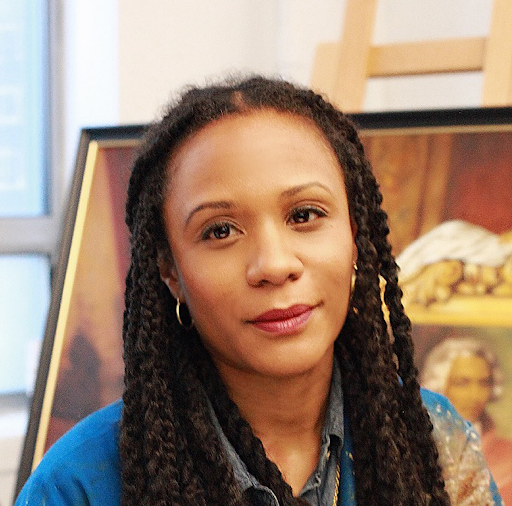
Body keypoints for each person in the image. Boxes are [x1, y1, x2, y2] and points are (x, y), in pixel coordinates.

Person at [15, 76, 502, 505]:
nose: (274, 265)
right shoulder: (78, 484)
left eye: (305, 215)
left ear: (355, 235)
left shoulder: (434, 439)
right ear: (169, 271)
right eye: (220, 231)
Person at [422, 337, 512, 504]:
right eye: (462, 383)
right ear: (439, 385)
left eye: (483, 383)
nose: (475, 395)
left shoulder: (508, 454)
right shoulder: (418, 445)